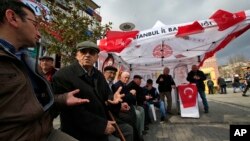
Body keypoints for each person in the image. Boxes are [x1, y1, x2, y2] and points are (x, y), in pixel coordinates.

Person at [0, 1, 89, 140]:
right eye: (35, 25)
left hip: (46, 132)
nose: (39, 34)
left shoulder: (29, 62)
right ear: (12, 18)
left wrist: (61, 99)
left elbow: (36, 100)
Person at [52, 41, 125, 141]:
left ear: (96, 57)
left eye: (91, 52)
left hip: (101, 127)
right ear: (77, 55)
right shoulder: (62, 75)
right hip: (77, 132)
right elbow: (71, 111)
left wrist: (115, 101)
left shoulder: (98, 75)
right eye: (83, 52)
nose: (87, 55)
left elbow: (107, 96)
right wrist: (100, 126)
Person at [103, 66, 134, 141]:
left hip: (114, 111)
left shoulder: (111, 85)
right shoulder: (103, 84)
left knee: (132, 115)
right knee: (129, 126)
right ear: (104, 73)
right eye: (110, 73)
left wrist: (120, 105)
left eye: (114, 73)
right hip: (106, 116)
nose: (112, 75)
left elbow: (116, 100)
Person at [112, 71, 142, 141]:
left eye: (128, 78)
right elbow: (125, 98)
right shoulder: (117, 85)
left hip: (126, 106)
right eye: (125, 77)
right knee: (132, 118)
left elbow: (131, 98)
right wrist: (131, 94)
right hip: (120, 109)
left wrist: (131, 95)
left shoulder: (123, 85)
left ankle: (138, 135)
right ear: (120, 77)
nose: (127, 79)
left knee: (136, 115)